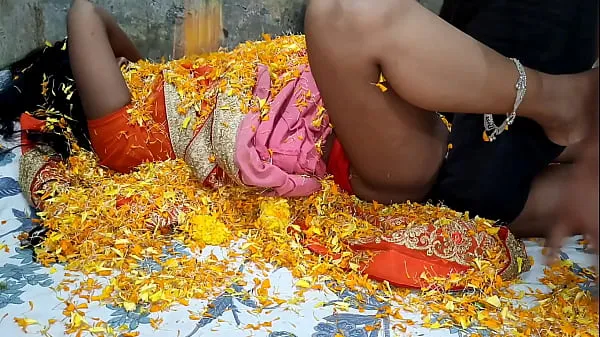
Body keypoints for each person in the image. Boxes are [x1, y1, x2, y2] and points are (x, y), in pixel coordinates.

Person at [2, 0, 597, 259]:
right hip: (377, 153)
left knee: (559, 194)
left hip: (434, 147)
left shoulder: (145, 107)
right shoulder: (120, 139)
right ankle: (560, 100)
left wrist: (146, 72)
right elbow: (87, 14)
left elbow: (121, 59)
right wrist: (44, 86)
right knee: (337, 14)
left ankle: (550, 122)